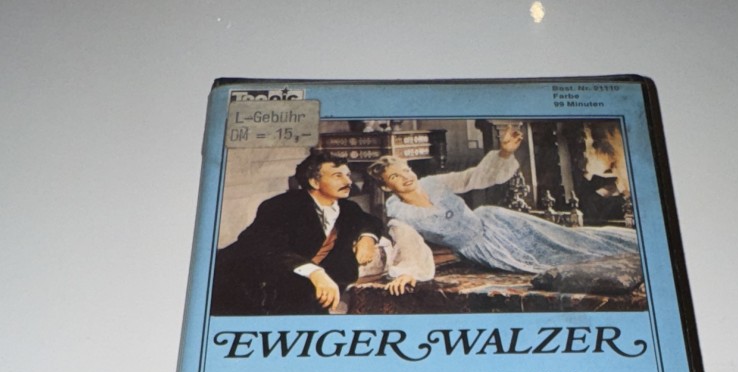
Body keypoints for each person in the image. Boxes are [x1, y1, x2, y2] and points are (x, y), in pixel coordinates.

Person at [368, 126, 642, 286]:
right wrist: (408, 273)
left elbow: (473, 177)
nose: (406, 177)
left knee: (567, 238)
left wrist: (505, 152)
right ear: (386, 187)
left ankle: (636, 243)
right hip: (482, 247)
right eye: (395, 177)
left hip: (495, 220)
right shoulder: (400, 215)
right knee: (551, 260)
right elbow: (409, 245)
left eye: (406, 170)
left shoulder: (433, 183)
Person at [211, 150, 423, 315]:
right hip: (241, 281)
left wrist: (367, 237)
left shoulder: (347, 207)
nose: (348, 182)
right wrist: (315, 273)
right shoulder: (280, 206)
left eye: (348, 175)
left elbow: (370, 221)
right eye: (338, 176)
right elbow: (266, 247)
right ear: (314, 182)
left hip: (300, 285)